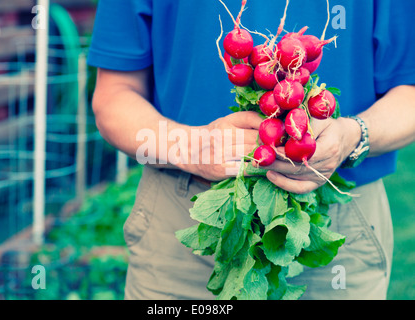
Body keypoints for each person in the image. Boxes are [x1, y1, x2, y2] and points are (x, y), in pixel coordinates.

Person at [87, 0, 415, 300]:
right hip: (184, 214)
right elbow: (113, 96)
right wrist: (187, 147)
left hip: (337, 216)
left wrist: (352, 136)